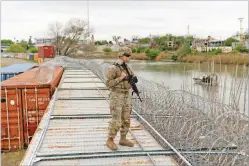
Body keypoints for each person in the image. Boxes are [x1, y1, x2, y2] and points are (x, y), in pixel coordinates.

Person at [105, 46, 134, 150]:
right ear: (121, 55)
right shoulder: (113, 68)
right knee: (116, 120)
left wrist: (132, 80)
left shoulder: (127, 67)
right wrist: (120, 78)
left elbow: (129, 81)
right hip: (116, 96)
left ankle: (123, 138)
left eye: (130, 55)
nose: (129, 57)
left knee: (126, 118)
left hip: (126, 95)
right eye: (127, 55)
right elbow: (108, 84)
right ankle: (110, 140)